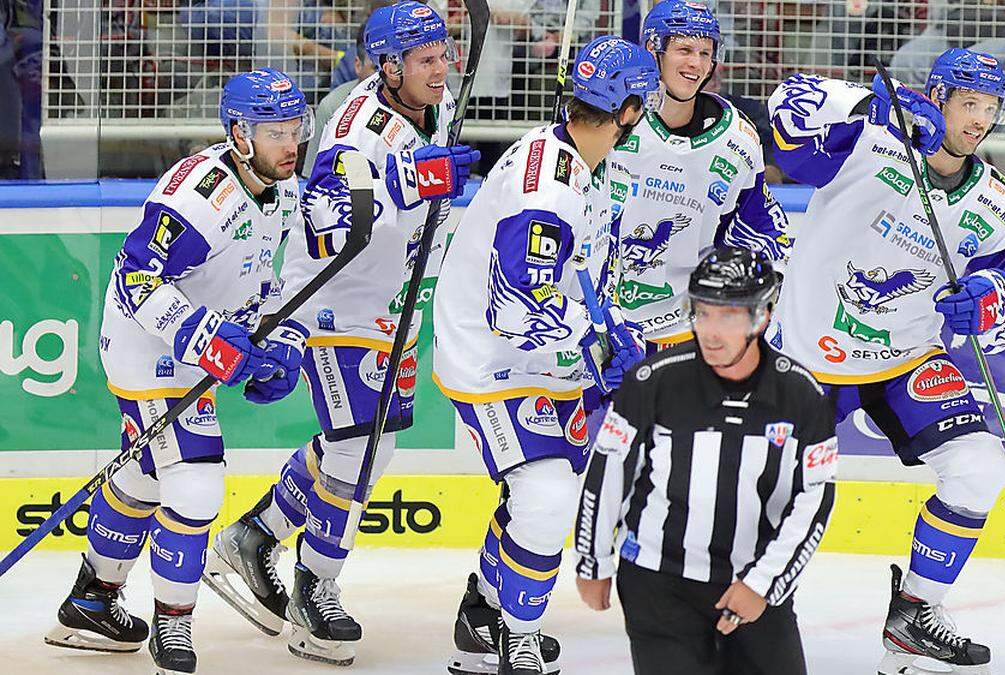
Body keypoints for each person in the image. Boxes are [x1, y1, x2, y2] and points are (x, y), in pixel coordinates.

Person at [202, 2, 478, 667]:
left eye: (444, 56)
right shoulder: (359, 129)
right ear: (390, 67)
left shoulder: (423, 109)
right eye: (427, 60)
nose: (442, 70)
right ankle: (313, 589)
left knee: (365, 447)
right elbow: (331, 226)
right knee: (357, 451)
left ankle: (255, 533)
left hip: (390, 309)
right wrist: (412, 184)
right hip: (334, 305)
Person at [767, 48, 1005, 673]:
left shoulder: (1000, 205)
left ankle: (915, 614)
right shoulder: (870, 135)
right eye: (968, 104)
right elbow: (785, 122)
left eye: (990, 109)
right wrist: (872, 107)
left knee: (977, 468)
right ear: (938, 98)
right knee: (771, 491)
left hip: (908, 358)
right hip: (807, 352)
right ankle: (733, 608)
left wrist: (988, 305)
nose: (979, 121)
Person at [43, 67, 312, 675]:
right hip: (148, 347)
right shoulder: (197, 195)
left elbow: (279, 276)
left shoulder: (284, 187)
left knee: (144, 480)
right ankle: (174, 629)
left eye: (296, 128)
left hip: (194, 346)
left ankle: (91, 599)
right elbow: (137, 278)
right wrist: (206, 337)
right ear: (240, 135)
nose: (291, 144)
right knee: (194, 480)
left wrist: (286, 338)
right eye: (276, 131)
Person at [432, 35, 659, 675]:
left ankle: (483, 613)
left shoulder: (579, 156)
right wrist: (592, 342)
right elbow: (514, 312)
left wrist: (605, 329)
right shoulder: (549, 190)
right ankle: (517, 641)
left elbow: (573, 276)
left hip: (542, 356)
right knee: (546, 496)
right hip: (494, 361)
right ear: (631, 110)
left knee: (551, 486)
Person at [575, 248, 837, 675]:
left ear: (763, 316)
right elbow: (608, 475)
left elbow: (814, 499)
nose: (712, 333)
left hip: (754, 584)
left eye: (729, 316)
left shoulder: (801, 394)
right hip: (658, 588)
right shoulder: (653, 381)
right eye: (703, 314)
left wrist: (764, 584)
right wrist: (593, 560)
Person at [614, 0, 790, 354]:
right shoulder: (613, 118)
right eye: (683, 50)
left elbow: (765, 231)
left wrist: (766, 288)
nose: (695, 63)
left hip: (684, 326)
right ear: (654, 49)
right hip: (603, 320)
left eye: (704, 52)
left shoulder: (738, 141)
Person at [302, 18, 378, 178]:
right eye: (375, 68)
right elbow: (311, 177)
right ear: (358, 65)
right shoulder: (332, 106)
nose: (382, 76)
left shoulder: (416, 99)